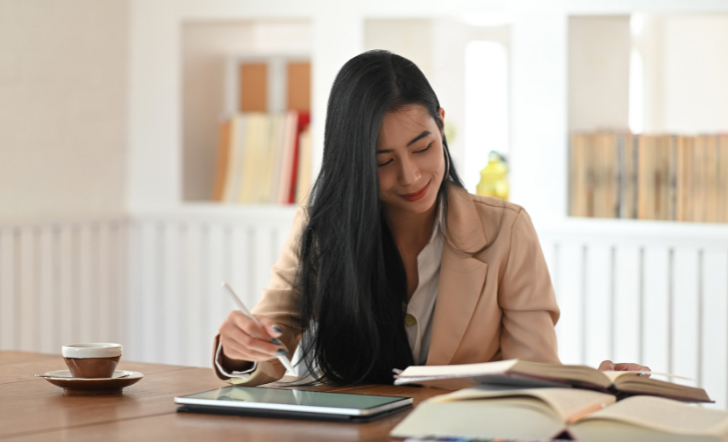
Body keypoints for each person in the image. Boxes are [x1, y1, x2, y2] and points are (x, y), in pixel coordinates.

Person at [212, 50, 649, 386]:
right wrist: (240, 351)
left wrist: (593, 385)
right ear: (353, 163)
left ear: (441, 124)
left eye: (422, 147)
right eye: (383, 161)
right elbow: (271, 336)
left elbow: (533, 373)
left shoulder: (507, 230)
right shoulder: (323, 224)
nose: (412, 175)